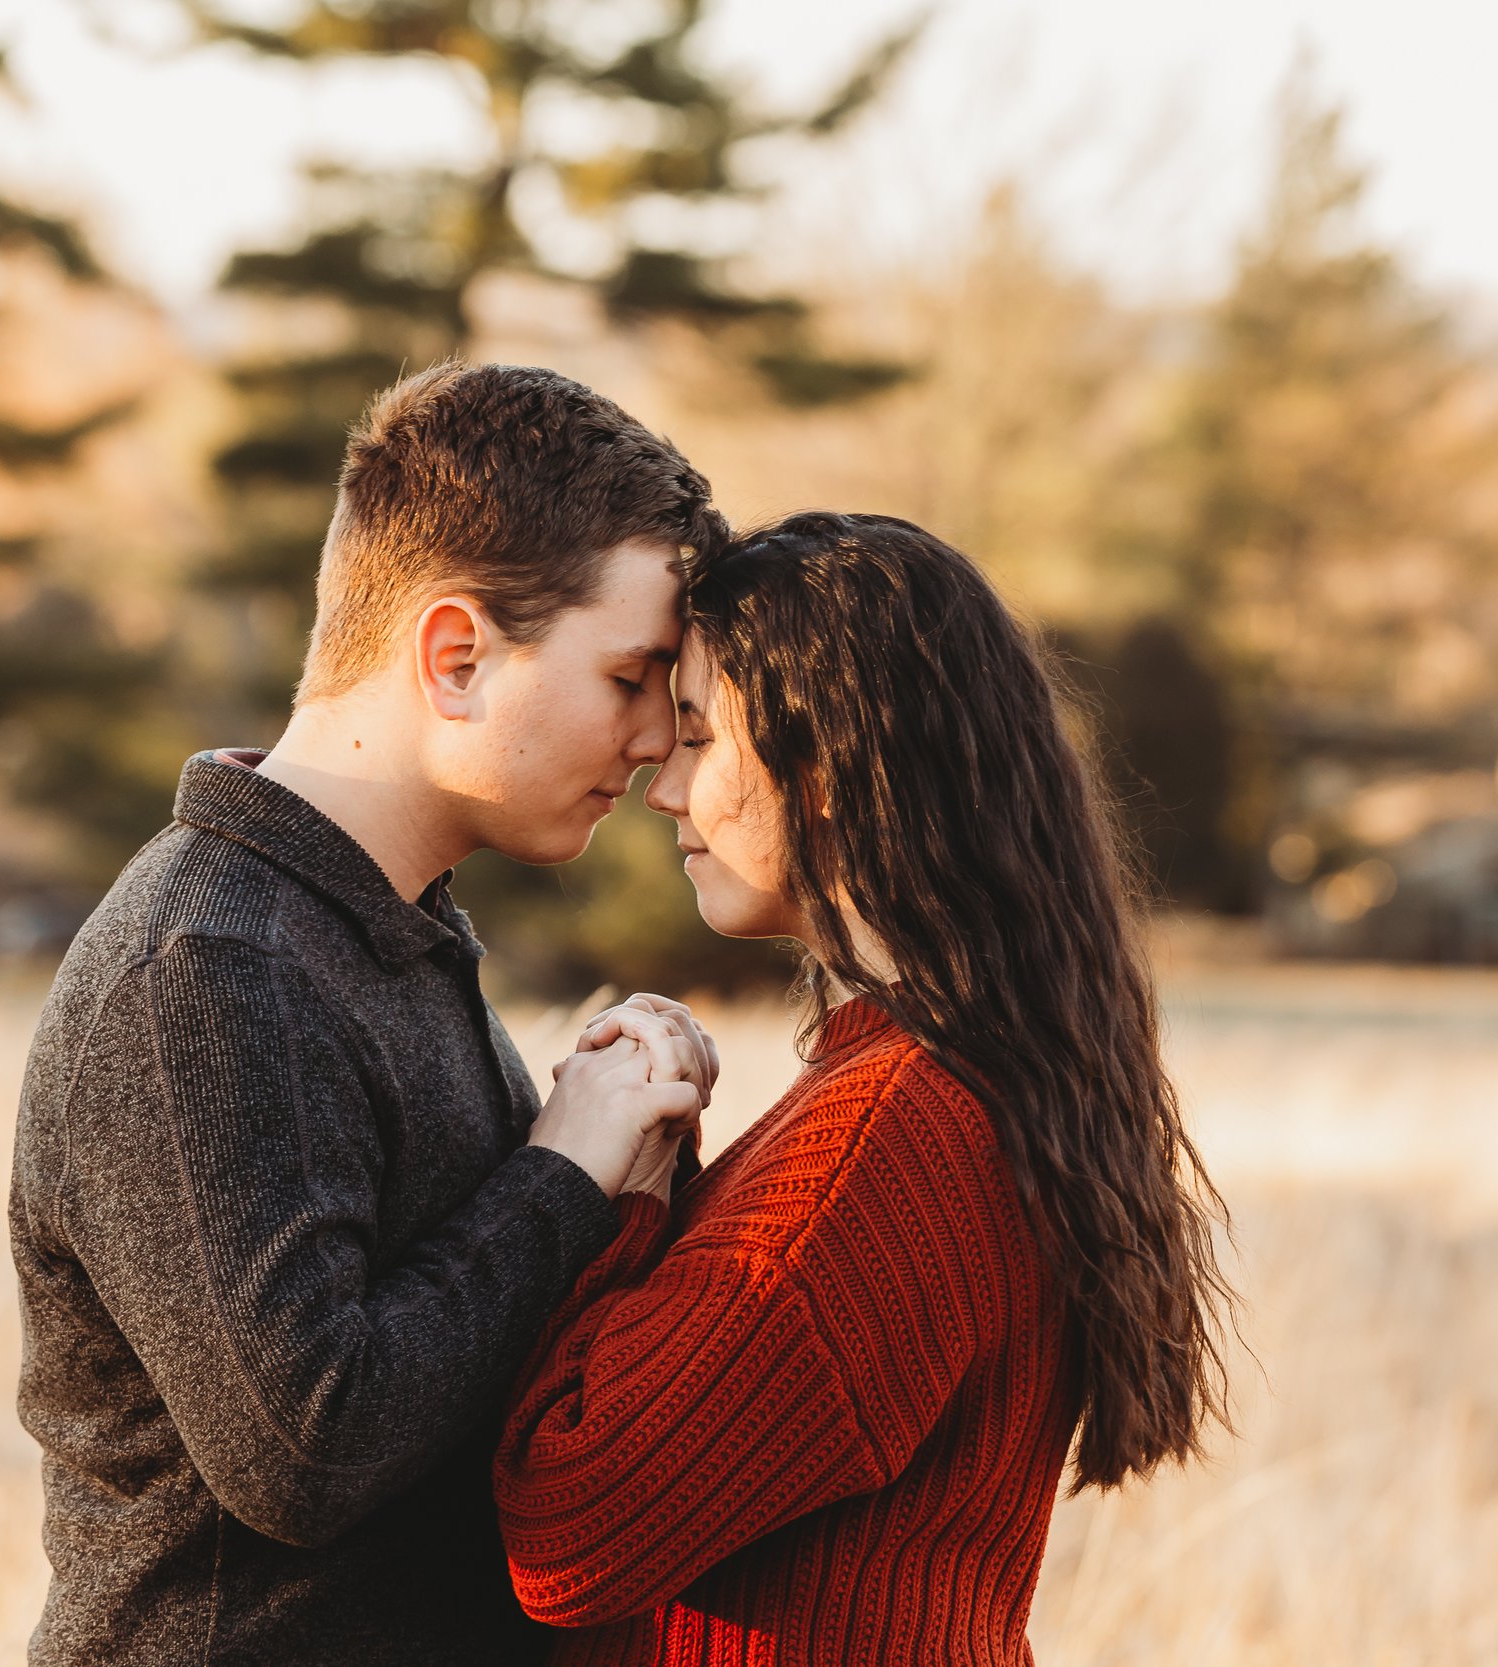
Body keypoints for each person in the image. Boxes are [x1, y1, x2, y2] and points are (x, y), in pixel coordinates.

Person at [10, 362, 725, 1667]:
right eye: (631, 676)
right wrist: (564, 1164)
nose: (658, 738)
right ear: (454, 655)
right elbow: (306, 1445)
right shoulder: (209, 963)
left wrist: (627, 1171)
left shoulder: (386, 924)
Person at [496, 511, 1238, 1665]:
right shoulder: (931, 1080)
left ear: (829, 764)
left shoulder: (891, 1135)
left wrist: (617, 1199)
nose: (664, 789)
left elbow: (565, 1531)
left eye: (698, 737)